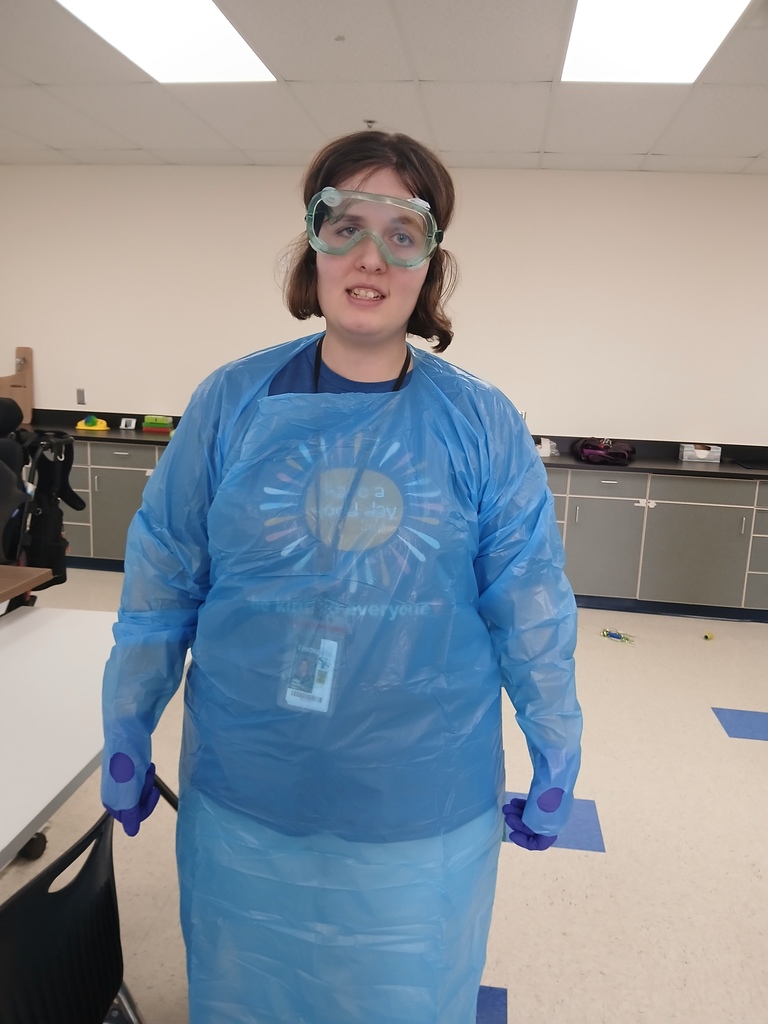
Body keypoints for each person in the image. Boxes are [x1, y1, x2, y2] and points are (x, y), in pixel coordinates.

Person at [101, 130, 583, 1024]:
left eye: (403, 233)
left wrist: (557, 745)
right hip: (249, 793)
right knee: (251, 991)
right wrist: (127, 720)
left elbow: (530, 602)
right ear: (311, 244)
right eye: (344, 225)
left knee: (397, 996)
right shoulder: (229, 405)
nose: (370, 256)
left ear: (430, 262)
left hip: (420, 808)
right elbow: (163, 576)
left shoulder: (481, 423)